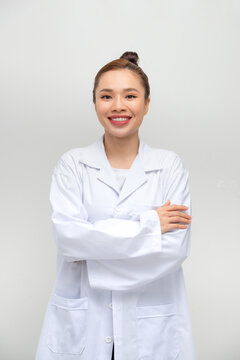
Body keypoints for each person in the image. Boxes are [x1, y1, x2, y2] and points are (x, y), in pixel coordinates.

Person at [35, 51, 196, 360]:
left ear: (146, 104)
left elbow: (174, 249)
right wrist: (149, 226)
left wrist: (91, 251)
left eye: (130, 96)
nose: (118, 106)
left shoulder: (169, 166)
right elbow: (69, 240)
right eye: (106, 96)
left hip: (150, 326)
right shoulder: (73, 165)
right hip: (85, 323)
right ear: (94, 103)